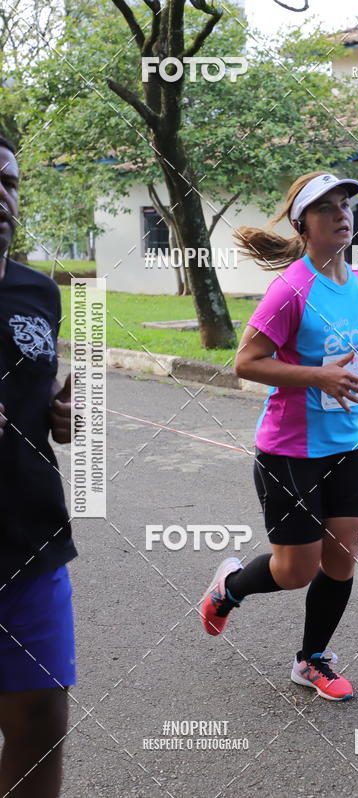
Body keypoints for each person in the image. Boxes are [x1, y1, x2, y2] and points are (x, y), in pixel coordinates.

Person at [200, 171, 358, 701]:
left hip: (348, 444)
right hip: (290, 451)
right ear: (303, 225)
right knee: (295, 571)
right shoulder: (291, 289)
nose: (343, 214)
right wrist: (318, 376)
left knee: (342, 558)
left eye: (346, 205)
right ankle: (230, 586)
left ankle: (311, 660)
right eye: (327, 208)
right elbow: (246, 362)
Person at [0, 135, 75, 797]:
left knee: (41, 722)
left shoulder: (38, 292)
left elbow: (41, 388)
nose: (2, 196)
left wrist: (60, 410)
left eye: (10, 182)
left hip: (30, 541)